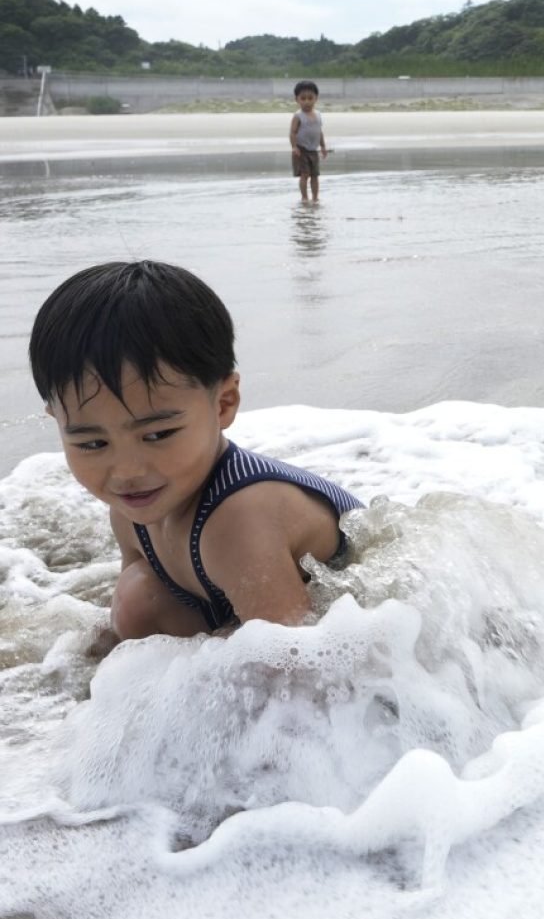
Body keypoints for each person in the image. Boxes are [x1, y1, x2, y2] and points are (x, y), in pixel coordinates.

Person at [29, 260, 363, 640]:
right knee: (135, 600)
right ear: (55, 418)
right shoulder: (132, 507)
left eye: (157, 435)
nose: (125, 471)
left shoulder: (239, 521)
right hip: (234, 602)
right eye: (93, 443)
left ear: (223, 403)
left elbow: (295, 671)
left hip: (364, 626)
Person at [290, 80, 329, 201]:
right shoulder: (298, 116)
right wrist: (294, 147)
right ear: (297, 99)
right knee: (304, 175)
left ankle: (315, 197)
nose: (307, 101)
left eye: (310, 98)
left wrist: (323, 146)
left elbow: (319, 131)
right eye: (303, 98)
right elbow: (292, 132)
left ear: (316, 98)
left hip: (313, 150)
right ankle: (304, 197)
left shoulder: (317, 114)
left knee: (315, 175)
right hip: (302, 149)